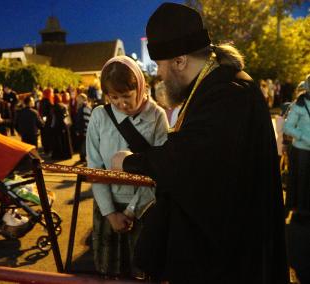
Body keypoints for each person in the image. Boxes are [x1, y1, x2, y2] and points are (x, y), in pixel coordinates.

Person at [110, 3, 288, 283]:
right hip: (229, 243)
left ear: (180, 61)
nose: (160, 74)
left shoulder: (228, 93)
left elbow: (189, 163)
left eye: (160, 65)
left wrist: (128, 162)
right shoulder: (217, 85)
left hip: (231, 258)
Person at [87, 55, 169, 279]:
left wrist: (131, 211)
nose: (121, 104)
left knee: (144, 271)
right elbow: (94, 167)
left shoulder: (157, 117)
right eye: (113, 97)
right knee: (109, 273)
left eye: (126, 96)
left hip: (145, 209)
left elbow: (161, 168)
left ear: (140, 88)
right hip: (107, 208)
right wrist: (111, 213)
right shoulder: (99, 117)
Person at [283, 75, 310, 216]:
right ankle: (299, 212)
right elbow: (287, 127)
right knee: (300, 181)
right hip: (301, 151)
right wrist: (304, 138)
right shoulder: (298, 105)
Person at [75, 93, 91, 162]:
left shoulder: (85, 107)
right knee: (82, 144)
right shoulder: (81, 107)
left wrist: (86, 130)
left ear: (83, 99)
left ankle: (83, 157)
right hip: (81, 129)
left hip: (84, 130)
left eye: (79, 99)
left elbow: (88, 119)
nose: (77, 100)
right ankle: (82, 157)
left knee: (84, 144)